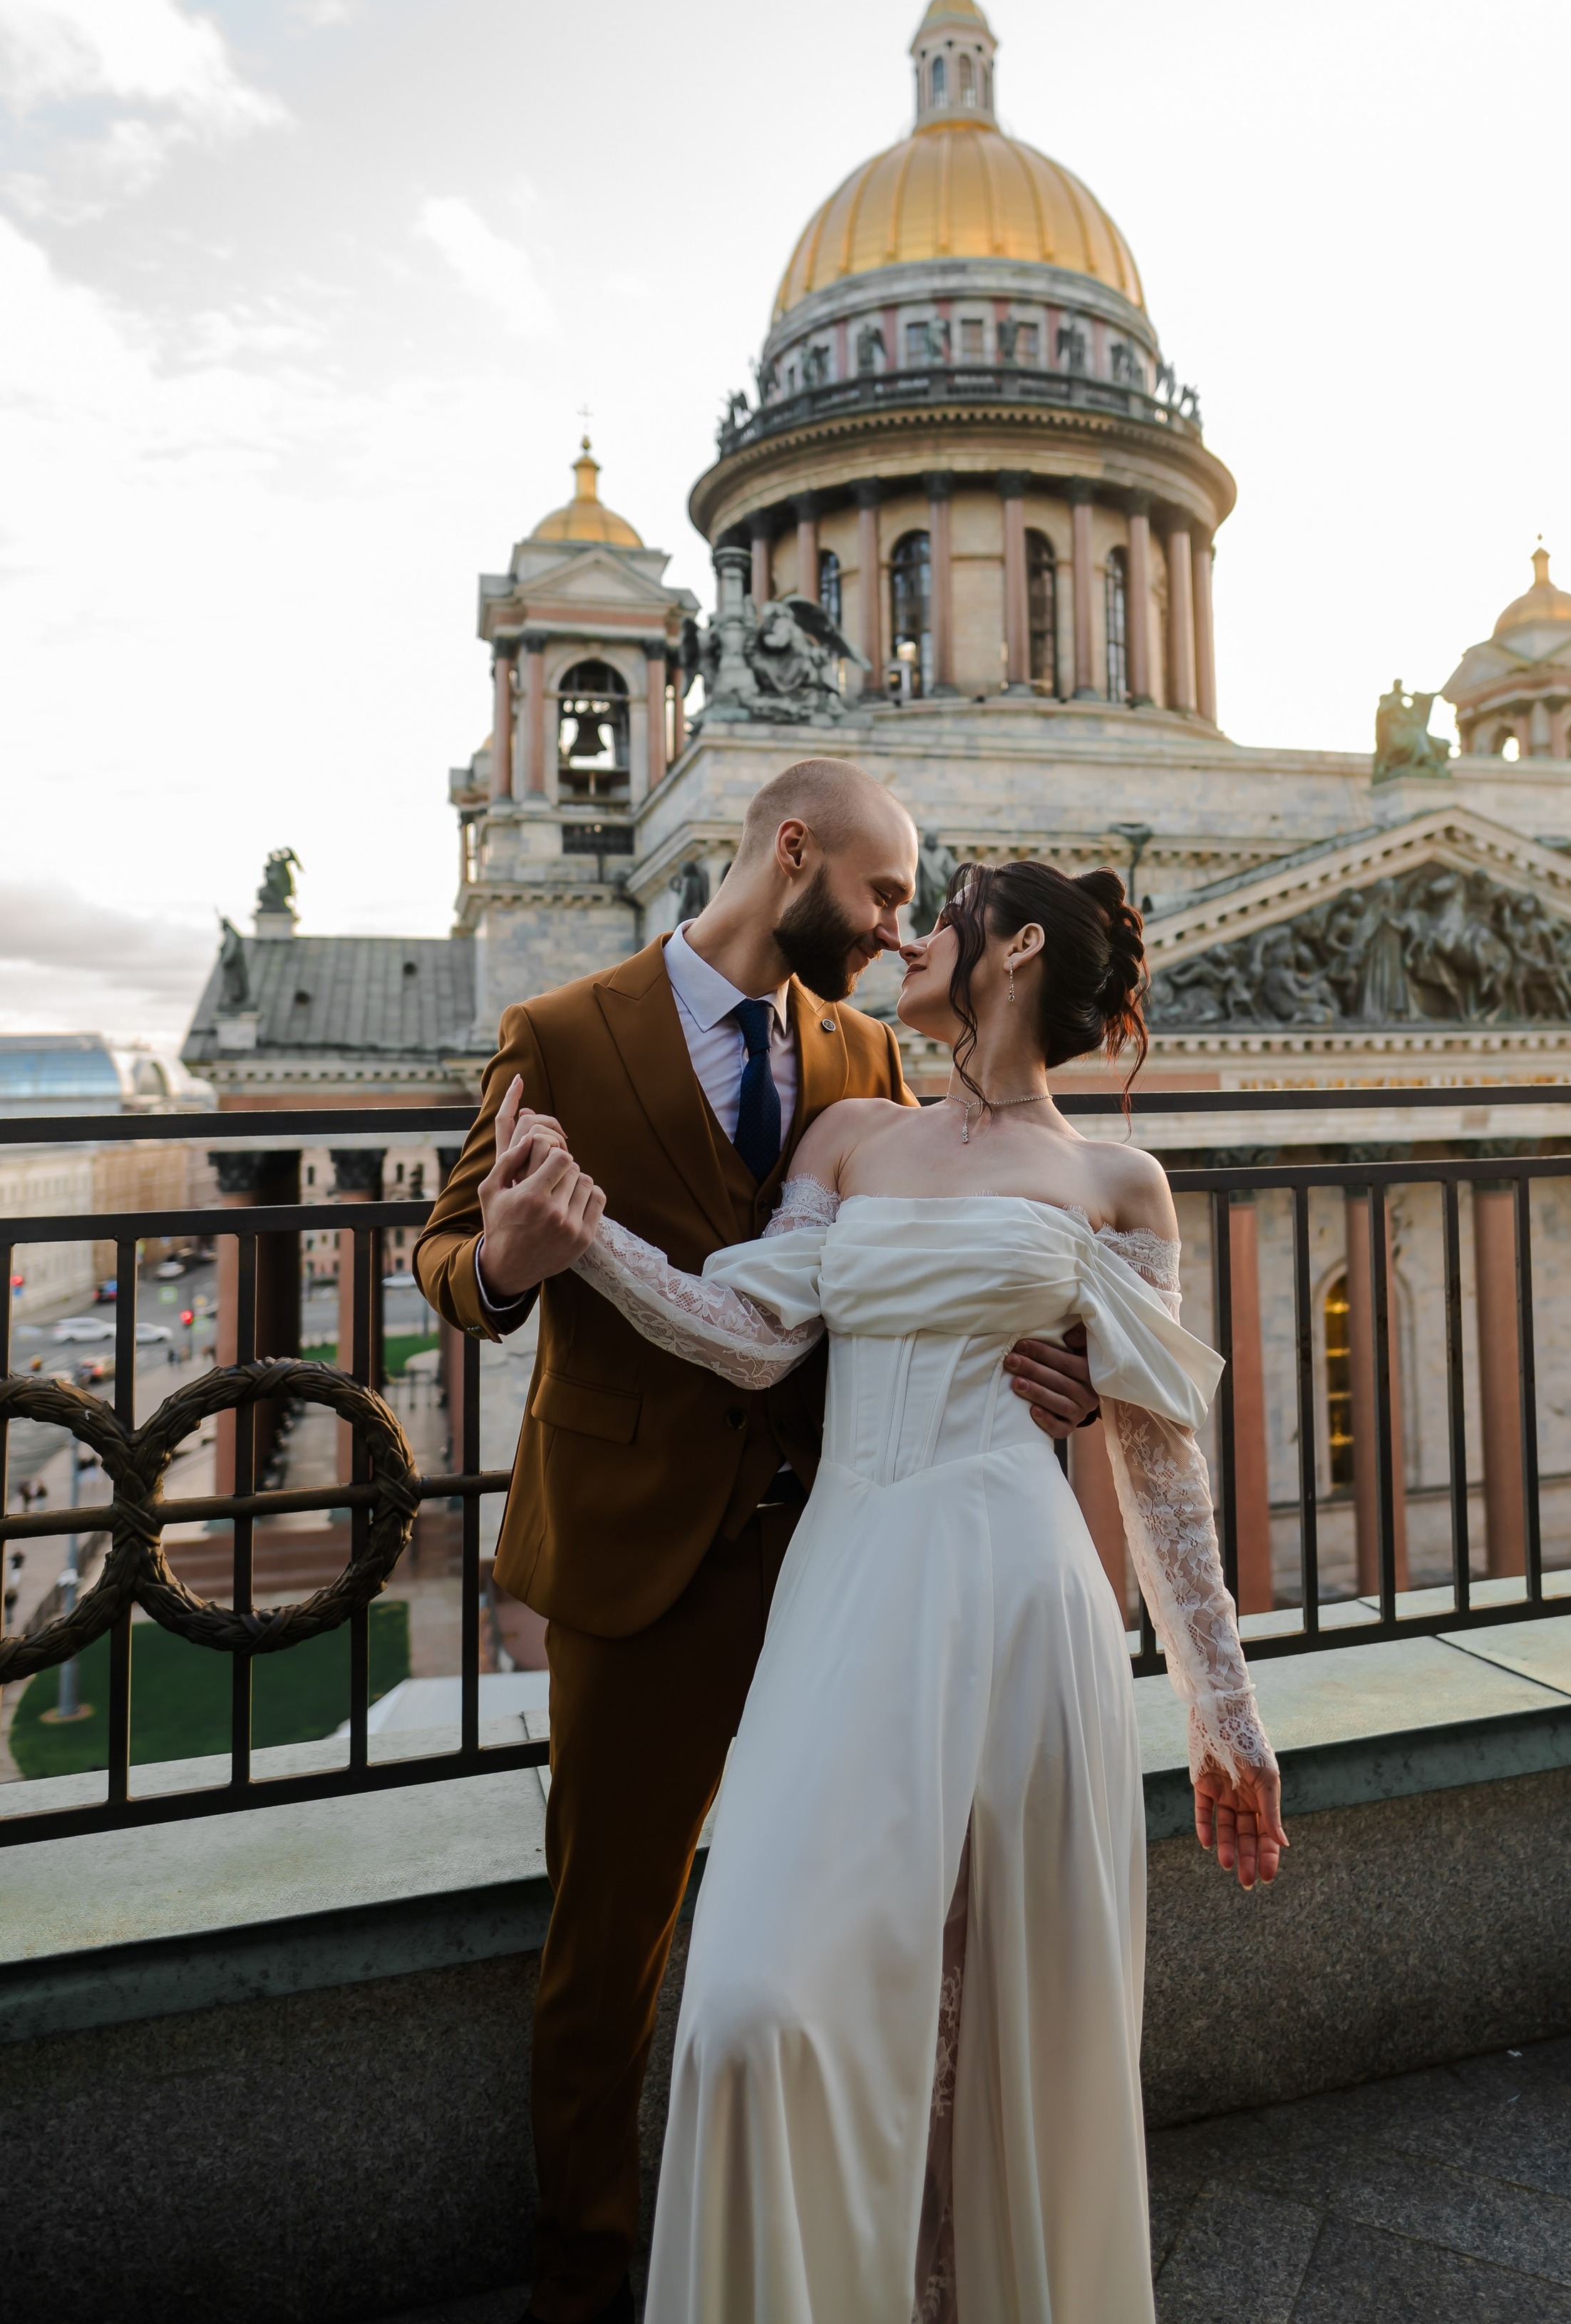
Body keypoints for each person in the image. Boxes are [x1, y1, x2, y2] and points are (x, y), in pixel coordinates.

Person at [498, 858, 1286, 2323]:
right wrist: (581, 1239)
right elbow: (744, 1334)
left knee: (1010, 2023)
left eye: (945, 910)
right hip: (849, 1581)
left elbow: (1163, 1477)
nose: (908, 935)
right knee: (745, 2010)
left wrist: (1221, 1716)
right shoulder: (852, 1131)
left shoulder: (1120, 1181)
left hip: (1019, 1596)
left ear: (1015, 949)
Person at [413, 761, 1105, 2324]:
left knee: (867, 1946)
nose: (890, 928)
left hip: (847, 1565)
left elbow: (945, 1241)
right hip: (638, 1566)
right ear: (790, 851)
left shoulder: (865, 1053)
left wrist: (1047, 1358)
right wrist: (513, 1263)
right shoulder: (564, 1029)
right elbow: (447, 1254)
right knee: (609, 1959)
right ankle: (586, 2282)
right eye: (873, 894)